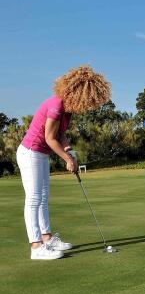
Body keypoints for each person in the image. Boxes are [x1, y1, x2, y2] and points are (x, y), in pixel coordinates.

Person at [17, 65, 111, 260]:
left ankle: (47, 239)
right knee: (34, 199)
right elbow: (50, 138)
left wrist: (69, 150)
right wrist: (67, 160)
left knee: (43, 197)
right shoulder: (57, 105)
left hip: (41, 154)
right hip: (30, 153)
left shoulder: (68, 109)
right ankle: (36, 247)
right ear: (79, 92)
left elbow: (61, 135)